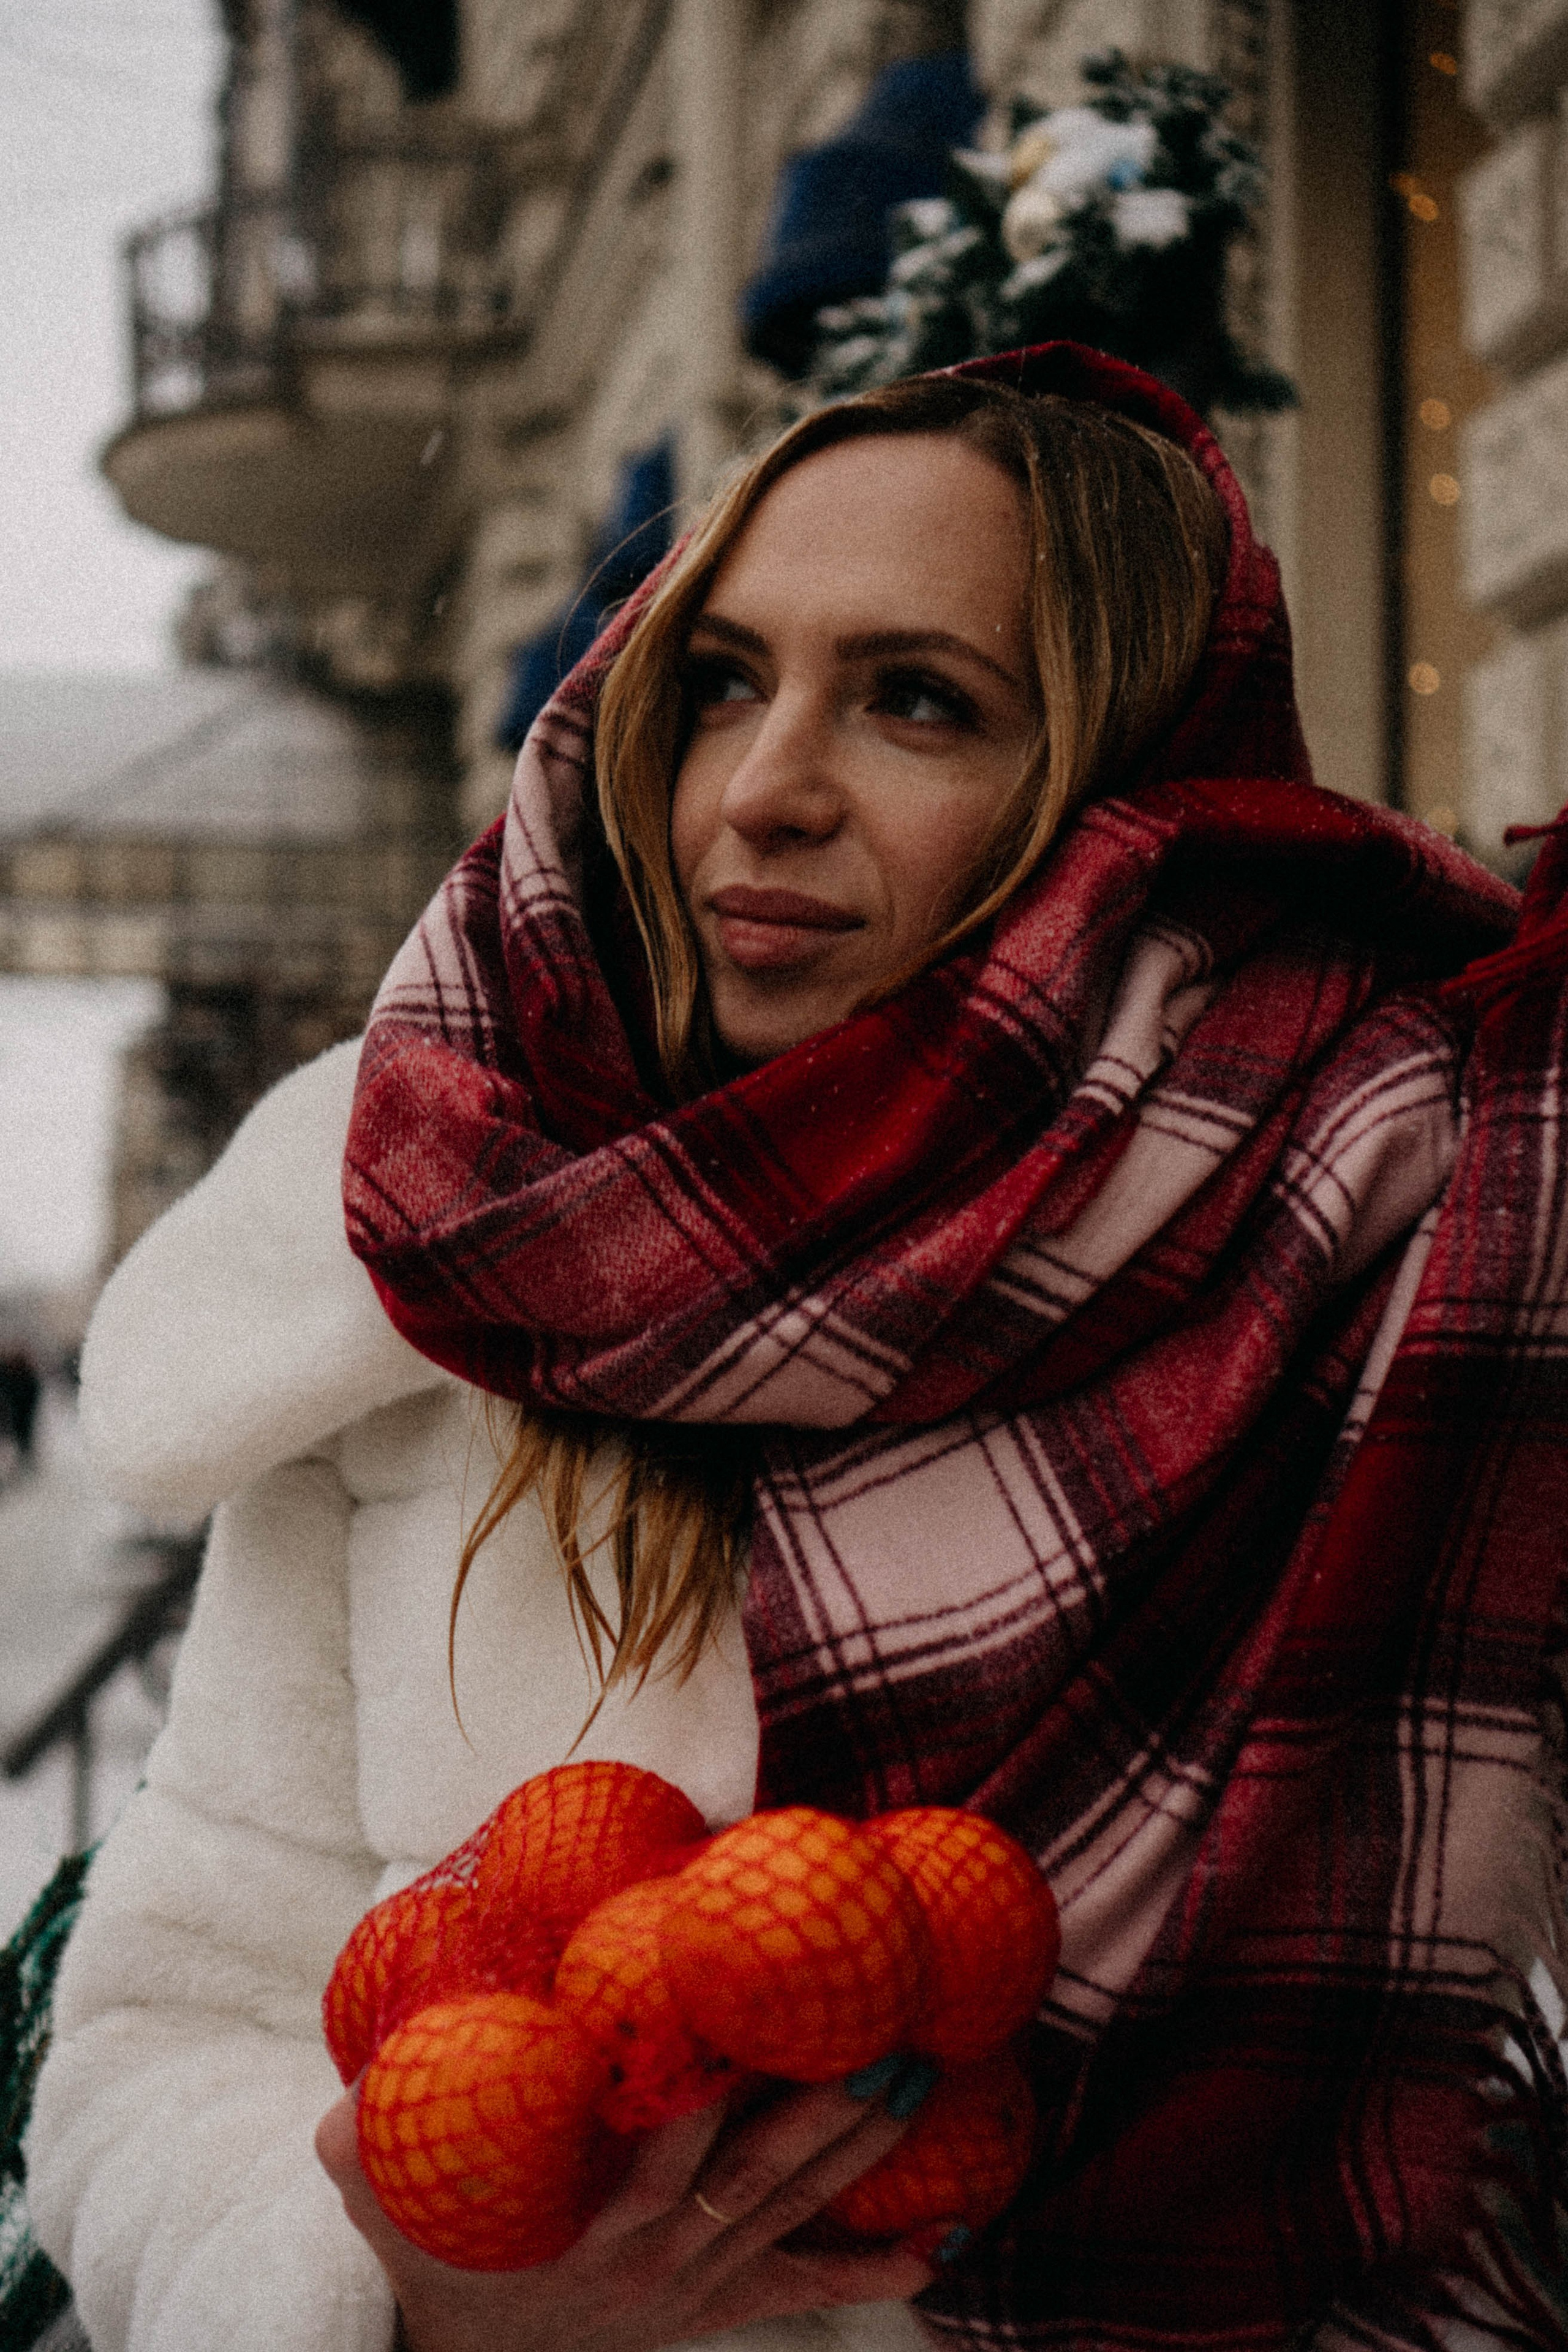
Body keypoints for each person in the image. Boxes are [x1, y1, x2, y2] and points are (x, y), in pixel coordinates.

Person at [23, 345, 1568, 2352]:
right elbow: (169, 2020)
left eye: (919, 699)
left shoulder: (1410, 1223)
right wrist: (401, 2306)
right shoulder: (457, 1247)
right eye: (722, 684)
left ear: (1132, 795)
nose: (764, 792)